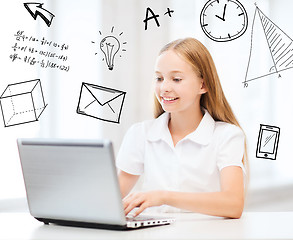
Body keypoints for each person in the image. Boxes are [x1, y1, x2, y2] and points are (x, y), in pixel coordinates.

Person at [116, 38, 248, 219]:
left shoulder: (227, 136)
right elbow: (111, 199)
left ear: (203, 85)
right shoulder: (140, 134)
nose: (164, 88)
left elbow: (233, 204)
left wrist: (163, 196)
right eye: (159, 78)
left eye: (176, 79)